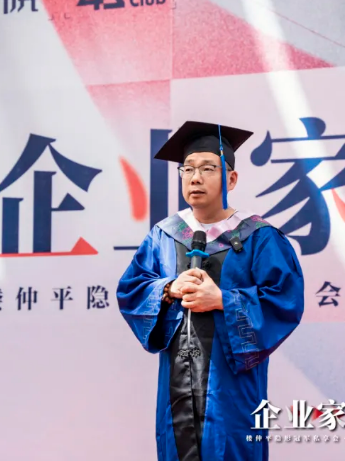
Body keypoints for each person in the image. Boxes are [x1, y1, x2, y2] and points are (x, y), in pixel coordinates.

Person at [116, 121, 305, 461]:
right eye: (187, 169)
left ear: (231, 179)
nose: (195, 178)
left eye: (207, 168)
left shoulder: (258, 237)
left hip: (232, 393)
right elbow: (132, 288)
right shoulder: (165, 236)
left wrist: (223, 300)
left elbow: (285, 299)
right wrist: (167, 288)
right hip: (176, 391)